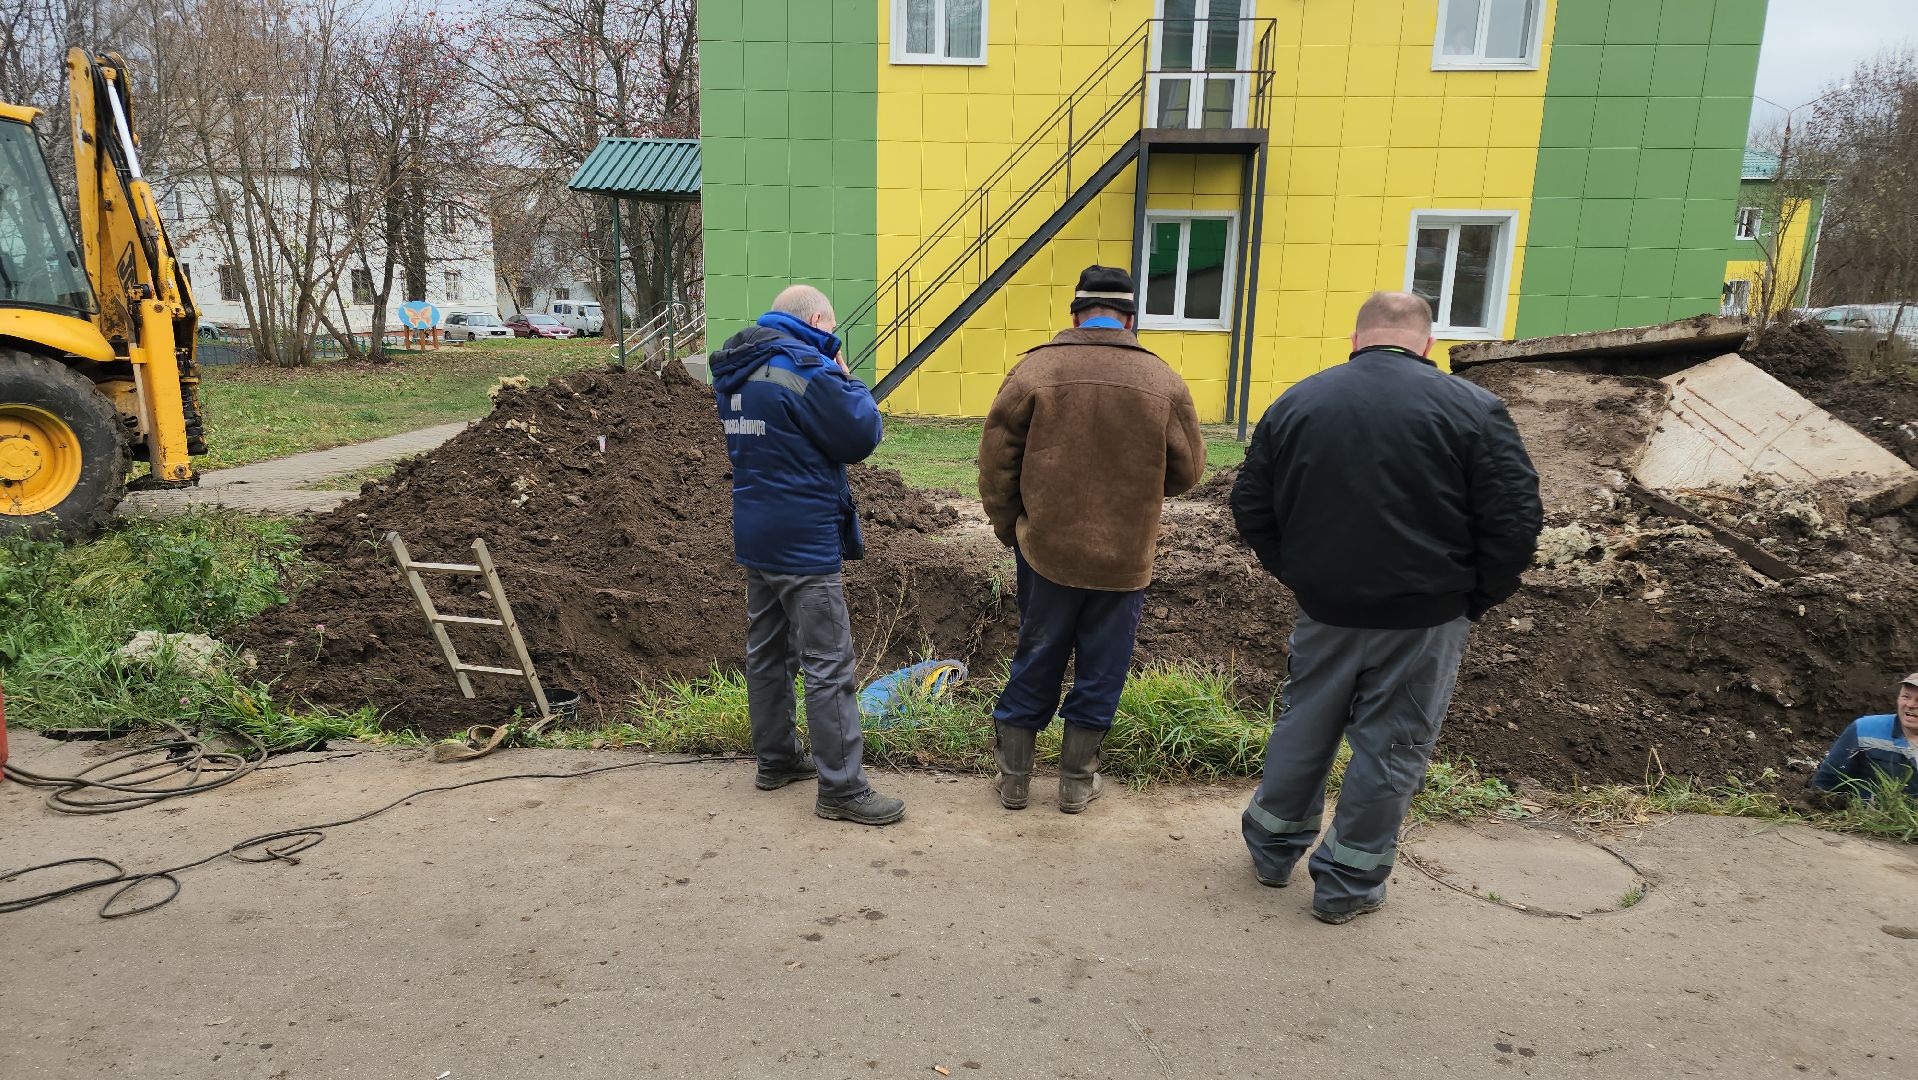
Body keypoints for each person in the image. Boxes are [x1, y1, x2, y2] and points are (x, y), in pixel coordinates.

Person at [1230, 291, 1542, 924]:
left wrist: (1303, 576)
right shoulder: (1474, 409)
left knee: (1304, 724)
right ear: (1428, 344)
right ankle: (1347, 885)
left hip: (1327, 610)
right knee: (1392, 747)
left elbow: (1251, 506)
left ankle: (1271, 851)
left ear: (1356, 339)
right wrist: (1471, 598)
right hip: (1425, 618)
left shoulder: (1298, 402)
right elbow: (1515, 522)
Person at [978, 265, 1206, 814]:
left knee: (1037, 654)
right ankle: (1076, 784)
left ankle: (1015, 781)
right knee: (1104, 666)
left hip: (1046, 551)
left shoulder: (1034, 371)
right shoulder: (1164, 381)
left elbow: (996, 465)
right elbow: (1187, 472)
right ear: (1130, 318)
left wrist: (1012, 529)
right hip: (1125, 556)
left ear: (1076, 314)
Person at [707, 285, 905, 827]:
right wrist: (848, 378)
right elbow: (861, 433)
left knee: (769, 654)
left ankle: (775, 760)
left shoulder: (737, 368)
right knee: (828, 663)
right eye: (831, 327)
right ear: (817, 319)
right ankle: (842, 788)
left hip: (756, 532)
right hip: (803, 540)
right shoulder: (804, 368)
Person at [1811, 674, 1918, 800]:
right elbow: (1825, 785)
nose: (1910, 704)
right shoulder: (1864, 729)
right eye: (1906, 696)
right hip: (1871, 812)